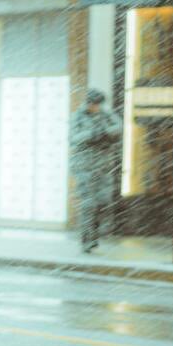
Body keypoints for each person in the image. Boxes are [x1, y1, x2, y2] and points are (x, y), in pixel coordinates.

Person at [69, 88, 122, 253]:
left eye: (98, 104)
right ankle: (87, 240)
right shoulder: (77, 117)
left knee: (103, 201)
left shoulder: (107, 115)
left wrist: (105, 132)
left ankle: (95, 235)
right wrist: (91, 134)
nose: (95, 107)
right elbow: (73, 138)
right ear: (88, 103)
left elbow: (119, 127)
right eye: (93, 104)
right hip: (84, 166)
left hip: (103, 165)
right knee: (88, 204)